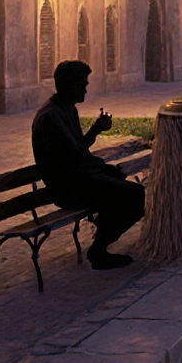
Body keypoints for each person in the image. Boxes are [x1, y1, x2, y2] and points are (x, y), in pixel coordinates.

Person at [32, 60, 145, 270]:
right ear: (69, 85)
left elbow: (78, 150)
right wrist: (100, 168)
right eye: (82, 84)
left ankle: (103, 232)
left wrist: (95, 130)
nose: (85, 89)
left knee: (128, 189)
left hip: (79, 178)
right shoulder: (51, 116)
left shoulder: (67, 109)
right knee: (135, 195)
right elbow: (74, 157)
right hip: (67, 188)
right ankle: (99, 251)